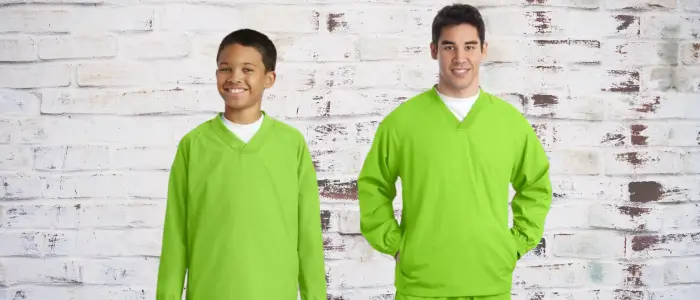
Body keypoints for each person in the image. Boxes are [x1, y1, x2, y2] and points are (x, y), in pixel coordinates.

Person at [357, 4, 553, 300]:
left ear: (483, 50)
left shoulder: (510, 123)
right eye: (450, 47)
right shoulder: (402, 123)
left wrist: (513, 244)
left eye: (469, 46)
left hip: (490, 283)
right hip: (420, 285)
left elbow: (536, 185)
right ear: (434, 50)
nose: (460, 58)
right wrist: (396, 244)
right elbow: (373, 186)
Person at [155, 28, 327, 300]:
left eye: (247, 69)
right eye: (225, 69)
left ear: (269, 78)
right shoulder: (193, 145)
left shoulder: (291, 144)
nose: (235, 77)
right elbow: (175, 235)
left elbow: (308, 235)